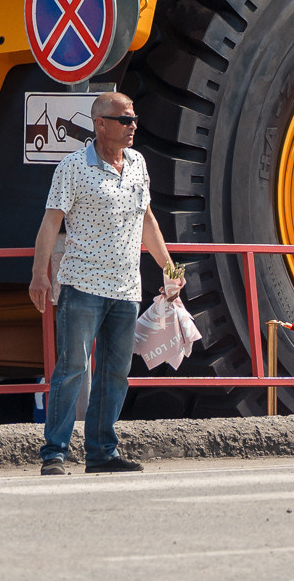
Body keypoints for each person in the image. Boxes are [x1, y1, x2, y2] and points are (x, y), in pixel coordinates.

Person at [29, 90, 183, 477]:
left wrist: (170, 269)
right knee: (73, 368)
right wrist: (39, 273)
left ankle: (101, 453)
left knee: (115, 372)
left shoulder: (137, 163)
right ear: (100, 124)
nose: (133, 126)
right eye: (125, 120)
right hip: (81, 286)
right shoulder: (72, 167)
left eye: (133, 118)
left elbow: (148, 221)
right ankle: (55, 454)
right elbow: (51, 222)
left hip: (126, 290)